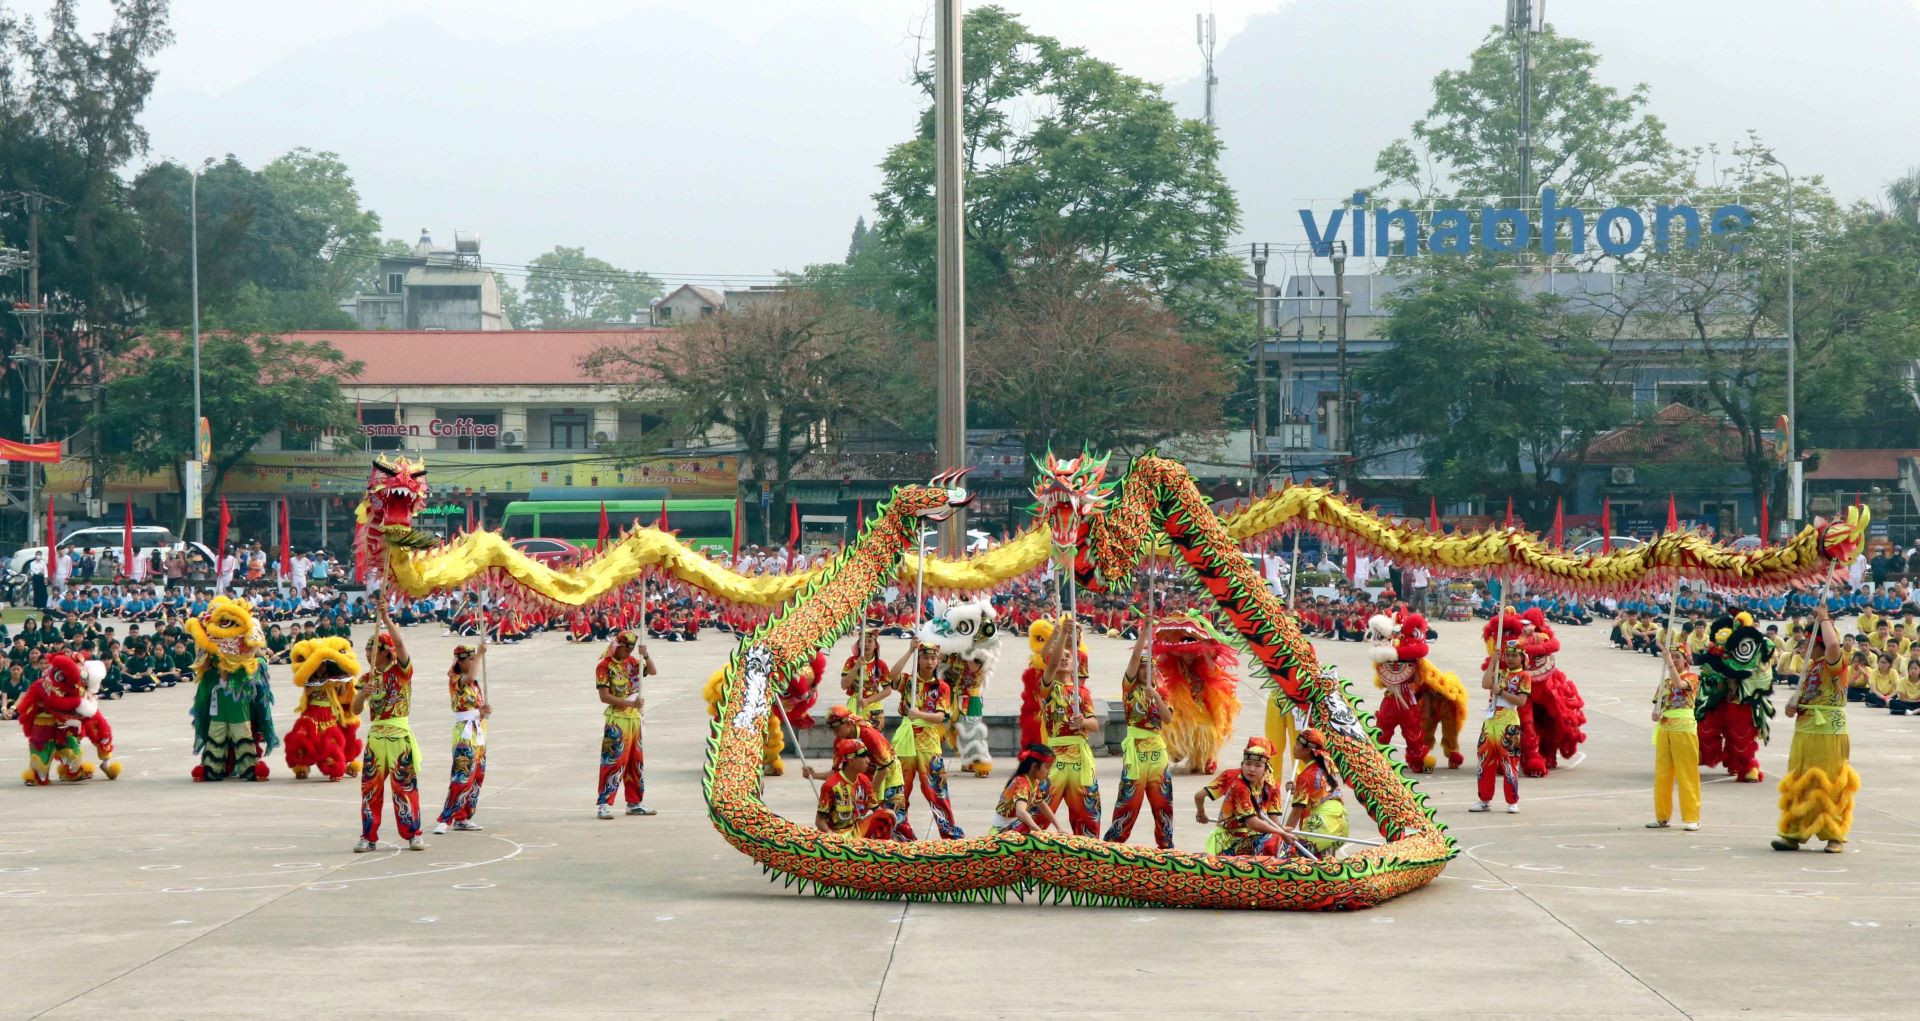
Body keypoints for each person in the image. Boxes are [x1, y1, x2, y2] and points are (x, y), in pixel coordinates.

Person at [1773, 607, 1859, 853]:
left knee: (1829, 782)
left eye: (1809, 642)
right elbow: (1806, 696)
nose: (1803, 646)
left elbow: (1833, 647)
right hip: (1805, 730)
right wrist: (1793, 705)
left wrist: (1824, 618)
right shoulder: (1811, 668)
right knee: (1799, 780)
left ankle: (1834, 834)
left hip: (1829, 732)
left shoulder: (1834, 663)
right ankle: (1793, 833)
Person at [352, 599, 424, 852]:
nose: (367, 652)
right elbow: (355, 709)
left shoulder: (402, 672)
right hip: (376, 738)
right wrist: (363, 694)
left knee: (404, 787)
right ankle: (368, 836)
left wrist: (386, 619)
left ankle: (413, 833)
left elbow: (402, 644)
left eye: (372, 648)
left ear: (385, 651)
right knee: (370, 789)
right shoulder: (366, 678)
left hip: (399, 737)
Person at [1103, 628, 1175, 848]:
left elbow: (1168, 719)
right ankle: (1112, 846)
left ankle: (1166, 850)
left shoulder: (1162, 692)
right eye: (1141, 668)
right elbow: (1135, 658)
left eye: (1148, 668)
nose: (1144, 671)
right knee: (1128, 803)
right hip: (1135, 752)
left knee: (1162, 804)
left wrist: (1157, 698)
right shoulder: (1129, 689)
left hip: (1157, 751)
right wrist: (1144, 632)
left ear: (1155, 671)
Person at [889, 642, 963, 839]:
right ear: (919, 659)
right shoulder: (908, 681)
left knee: (936, 790)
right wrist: (909, 651)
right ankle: (900, 832)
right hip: (906, 740)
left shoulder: (942, 687)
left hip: (929, 742)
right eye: (925, 657)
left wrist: (918, 714)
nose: (930, 661)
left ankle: (949, 834)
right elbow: (891, 676)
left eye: (933, 658)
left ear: (937, 660)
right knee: (899, 790)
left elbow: (940, 716)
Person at [1039, 618, 1103, 837]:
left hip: (1080, 759)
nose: (1065, 659)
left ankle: (1088, 858)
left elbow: (1095, 724)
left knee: (1087, 814)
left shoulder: (1082, 694)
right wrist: (1062, 634)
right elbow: (1052, 661)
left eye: (1070, 657)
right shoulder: (1047, 686)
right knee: (1039, 812)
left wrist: (1083, 722)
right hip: (1054, 757)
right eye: (1061, 657)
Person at [806, 705, 901, 840]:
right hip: (838, 836)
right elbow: (836, 772)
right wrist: (814, 775)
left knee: (895, 817)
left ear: (849, 724)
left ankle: (890, 850)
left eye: (838, 729)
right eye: (834, 731)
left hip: (889, 773)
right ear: (850, 761)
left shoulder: (869, 736)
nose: (836, 734)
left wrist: (867, 792)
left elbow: (884, 768)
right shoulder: (840, 746)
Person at [595, 630, 656, 819]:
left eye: (631, 649)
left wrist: (646, 655)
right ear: (618, 646)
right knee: (613, 761)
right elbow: (604, 697)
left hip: (634, 719)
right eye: (626, 649)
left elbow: (652, 671)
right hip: (617, 721)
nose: (628, 652)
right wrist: (631, 703)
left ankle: (635, 802)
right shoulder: (604, 666)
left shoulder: (632, 663)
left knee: (635, 762)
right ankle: (604, 804)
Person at [433, 643, 490, 834]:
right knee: (462, 776)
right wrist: (480, 654)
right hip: (464, 735)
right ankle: (446, 818)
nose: (473, 661)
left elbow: (475, 708)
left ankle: (463, 817)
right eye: (470, 659)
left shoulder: (475, 685)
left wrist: (483, 712)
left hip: (479, 732)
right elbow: (472, 675)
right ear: (460, 661)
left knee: (477, 776)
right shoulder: (456, 679)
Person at [1470, 635, 1532, 814]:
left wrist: (1501, 692)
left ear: (1522, 657)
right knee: (1485, 760)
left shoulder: (1524, 676)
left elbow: (1521, 702)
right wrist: (1492, 662)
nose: (1510, 658)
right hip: (1490, 722)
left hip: (1509, 723)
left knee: (1510, 762)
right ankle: (1484, 799)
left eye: (1514, 655)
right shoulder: (1499, 671)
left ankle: (1512, 801)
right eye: (1508, 655)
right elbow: (1485, 684)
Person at [1196, 737, 1288, 855]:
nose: (1252, 769)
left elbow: (1274, 822)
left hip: (1255, 836)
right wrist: (1280, 833)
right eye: (1248, 763)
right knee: (1273, 840)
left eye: (1258, 765)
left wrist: (1282, 831)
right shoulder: (1237, 782)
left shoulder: (1272, 785)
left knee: (1284, 844)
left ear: (1265, 767)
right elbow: (1253, 822)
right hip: (1231, 839)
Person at [1650, 637, 1702, 831]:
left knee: (1686, 773)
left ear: (1685, 660)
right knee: (1663, 774)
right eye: (1672, 657)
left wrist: (1668, 662)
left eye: (1677, 657)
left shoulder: (1692, 678)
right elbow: (1657, 707)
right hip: (1665, 728)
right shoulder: (1665, 681)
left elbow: (1679, 685)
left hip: (1684, 728)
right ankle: (1662, 816)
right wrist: (1656, 713)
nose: (1674, 659)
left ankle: (1692, 817)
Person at [1285, 728, 1349, 857]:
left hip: (1322, 824)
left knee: (1294, 859)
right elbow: (1317, 792)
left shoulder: (1305, 776)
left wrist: (1283, 836)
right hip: (1339, 824)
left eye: (1298, 744)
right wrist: (1297, 789)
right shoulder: (1323, 768)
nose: (1294, 747)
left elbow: (1296, 812)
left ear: (1307, 750)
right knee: (1325, 863)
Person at [813, 738, 881, 836]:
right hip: (839, 836)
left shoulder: (865, 781)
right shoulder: (830, 786)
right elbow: (819, 821)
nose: (868, 760)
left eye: (867, 756)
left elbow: (877, 811)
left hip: (858, 831)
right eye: (863, 756)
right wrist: (831, 835)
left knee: (888, 815)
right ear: (851, 761)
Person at [989, 744, 1058, 835]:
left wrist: (1059, 827)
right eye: (1047, 767)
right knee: (1027, 821)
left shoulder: (1034, 781)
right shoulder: (1021, 783)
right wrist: (1039, 832)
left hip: (1013, 827)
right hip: (1001, 831)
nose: (1048, 772)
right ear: (1035, 766)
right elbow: (1020, 812)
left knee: (1031, 818)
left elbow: (1042, 805)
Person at [839, 624, 892, 729]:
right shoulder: (851, 661)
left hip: (874, 708)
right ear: (858, 644)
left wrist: (868, 701)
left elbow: (888, 690)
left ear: (875, 645)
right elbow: (844, 685)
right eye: (862, 641)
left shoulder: (881, 665)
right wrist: (856, 667)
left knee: (874, 741)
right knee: (855, 741)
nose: (866, 644)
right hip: (855, 705)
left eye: (870, 641)